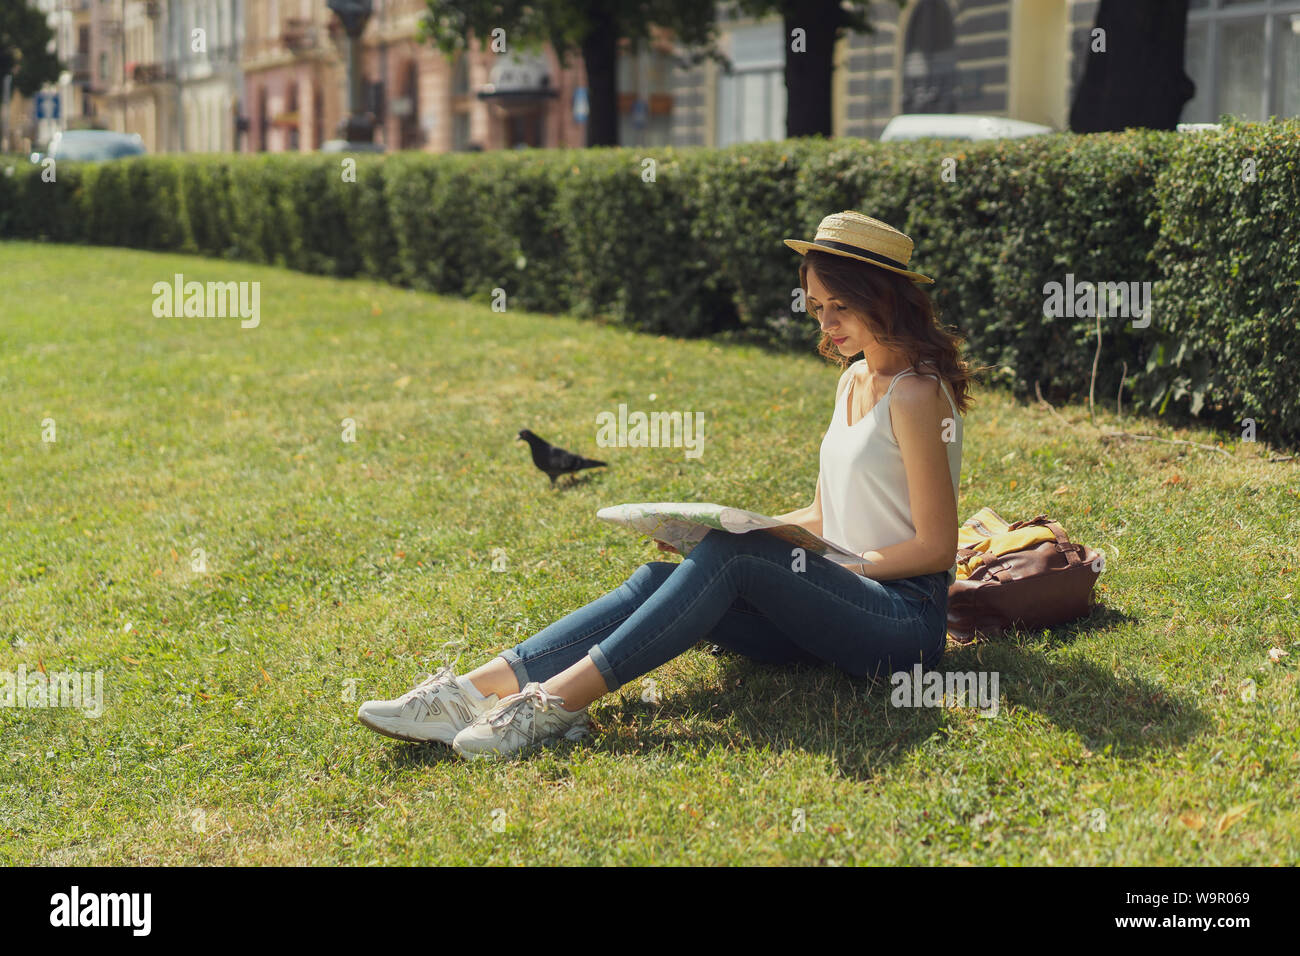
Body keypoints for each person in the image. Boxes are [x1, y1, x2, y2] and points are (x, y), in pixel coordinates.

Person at [357, 211, 973, 759]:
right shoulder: (852, 379)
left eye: (839, 306)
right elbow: (821, 511)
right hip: (832, 607)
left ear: (884, 299)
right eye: (816, 307)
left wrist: (827, 568)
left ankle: (555, 708)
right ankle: (466, 694)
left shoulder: (918, 395)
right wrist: (729, 538)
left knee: (738, 557)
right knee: (669, 576)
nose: (826, 322)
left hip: (901, 625)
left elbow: (936, 548)